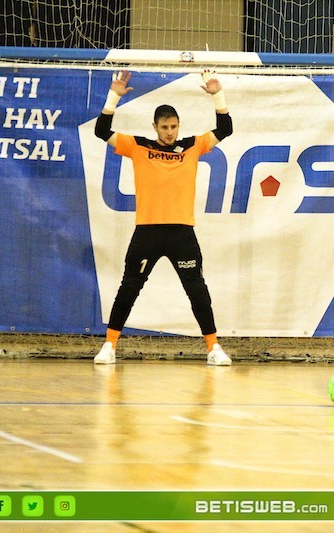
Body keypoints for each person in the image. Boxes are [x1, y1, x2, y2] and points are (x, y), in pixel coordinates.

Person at [92, 69, 233, 366]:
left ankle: (213, 348)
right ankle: (109, 346)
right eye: (165, 126)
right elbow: (101, 131)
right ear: (155, 127)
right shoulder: (139, 146)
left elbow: (225, 128)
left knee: (197, 290)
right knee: (129, 288)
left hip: (182, 232)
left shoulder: (192, 146)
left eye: (174, 126)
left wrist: (217, 94)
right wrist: (114, 96)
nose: (170, 131)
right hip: (147, 232)